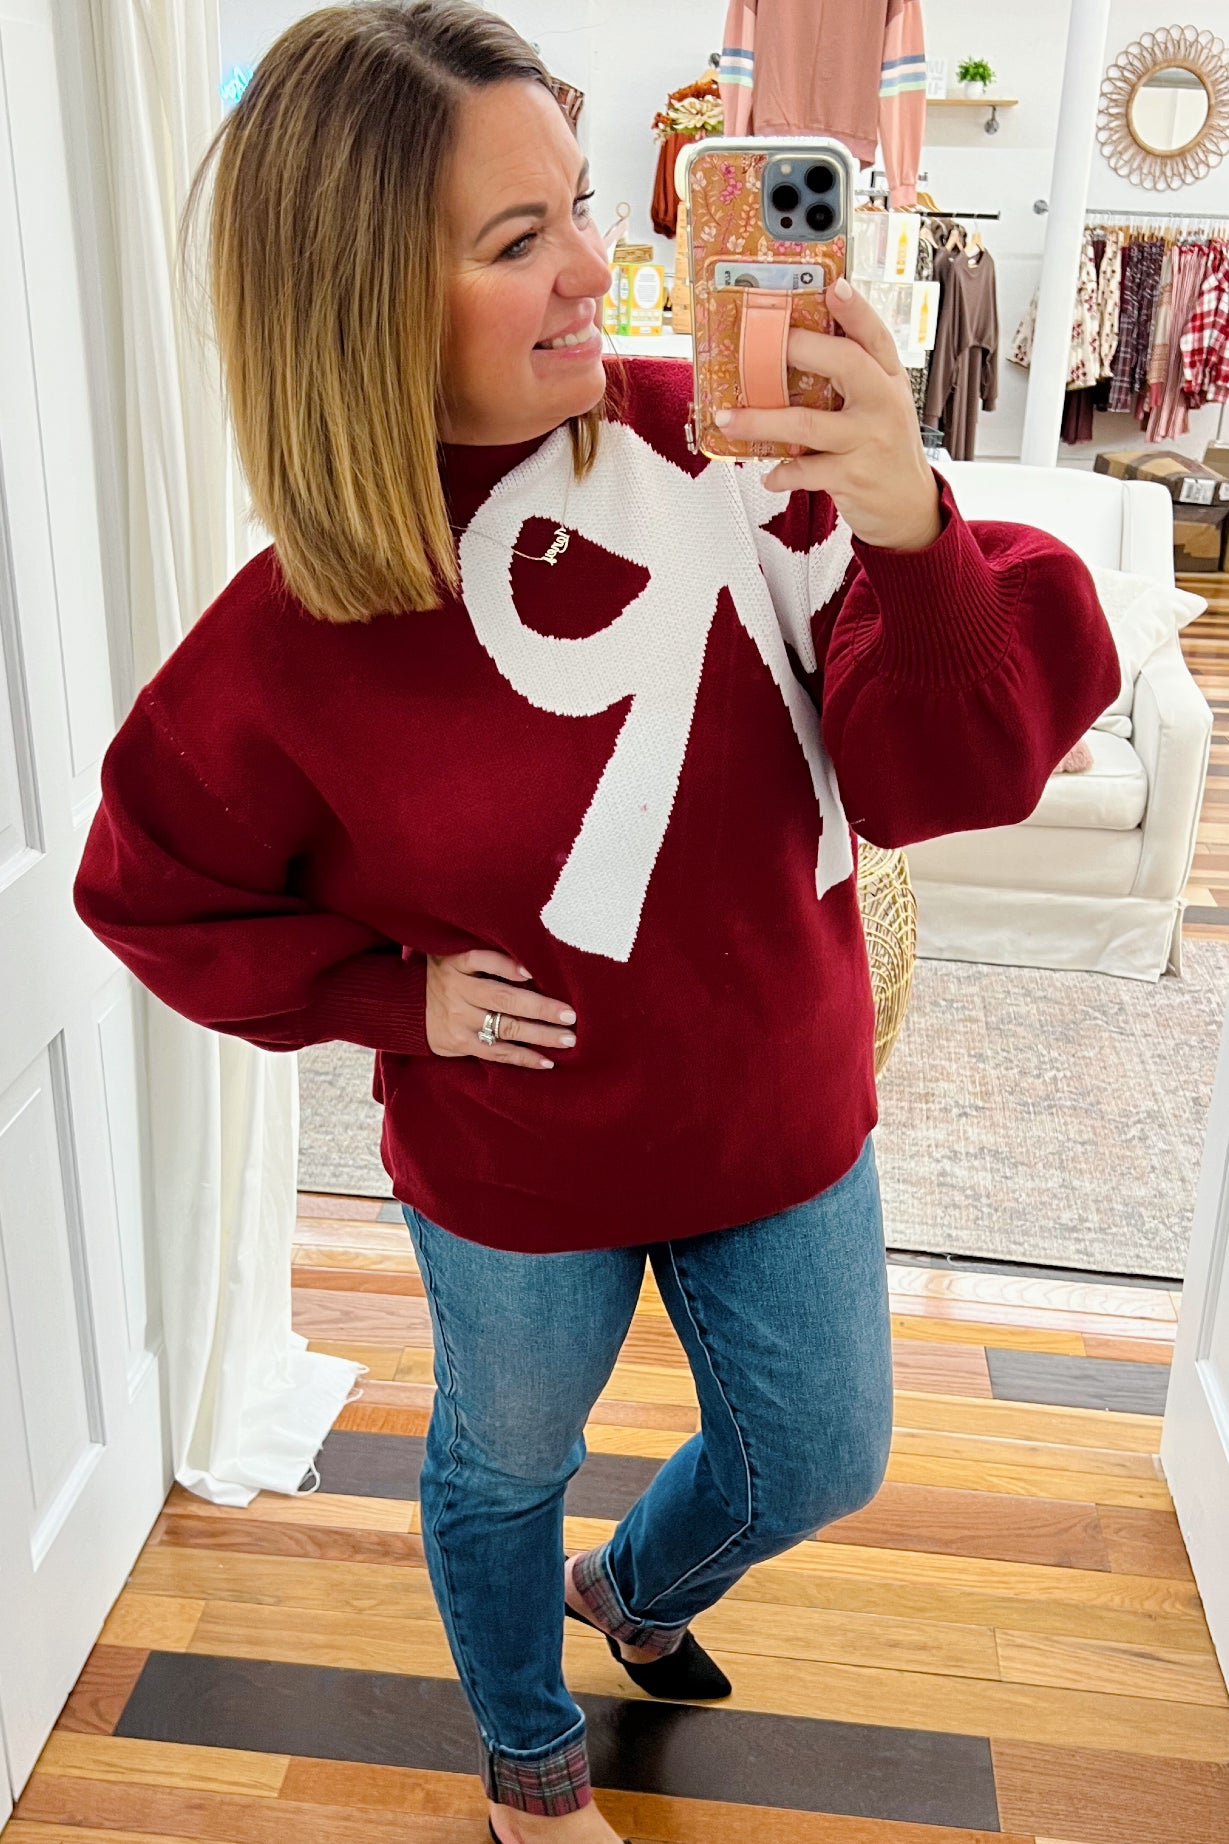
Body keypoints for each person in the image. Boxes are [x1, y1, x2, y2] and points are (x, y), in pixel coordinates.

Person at [72, 5, 1123, 1840]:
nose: (592, 264)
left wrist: (910, 530)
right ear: (360, 305)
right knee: (501, 1467)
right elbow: (146, 887)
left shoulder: (734, 454)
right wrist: (391, 999)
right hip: (515, 1167)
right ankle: (530, 1754)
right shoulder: (293, 630)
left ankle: (631, 1591)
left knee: (821, 1457)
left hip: (775, 1103)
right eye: (518, 237)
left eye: (577, 203)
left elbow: (934, 777)